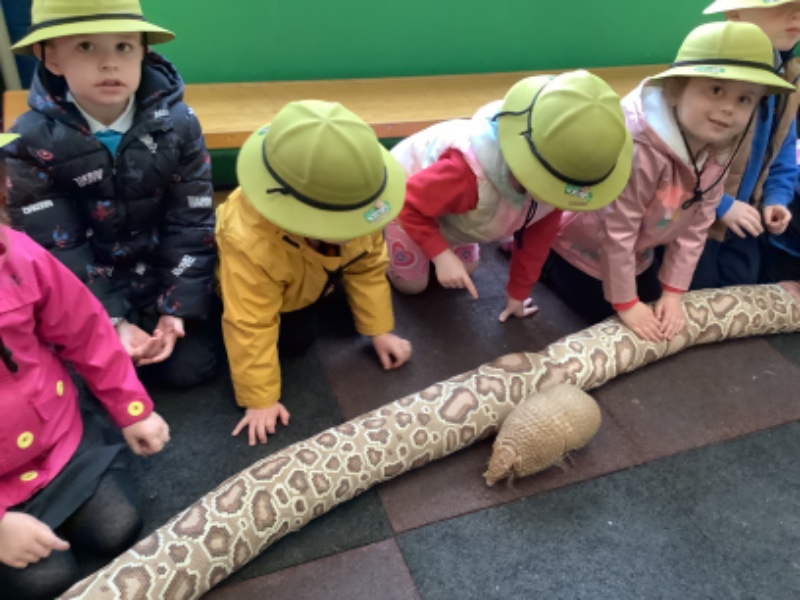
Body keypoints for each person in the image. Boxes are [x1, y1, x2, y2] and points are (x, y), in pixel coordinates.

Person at [4, 0, 217, 388]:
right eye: (86, 46)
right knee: (76, 379)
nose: (109, 63)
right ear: (50, 57)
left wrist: (175, 308)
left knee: (191, 369)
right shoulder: (29, 140)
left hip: (155, 277)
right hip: (85, 284)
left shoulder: (179, 124)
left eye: (124, 46)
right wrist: (110, 318)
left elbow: (192, 220)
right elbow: (57, 244)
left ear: (143, 52)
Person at [546, 21, 795, 341]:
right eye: (716, 90)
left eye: (745, 99)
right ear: (676, 90)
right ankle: (543, 260)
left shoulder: (720, 144)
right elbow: (617, 231)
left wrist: (674, 292)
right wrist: (626, 303)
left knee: (659, 310)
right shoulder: (640, 150)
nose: (728, 109)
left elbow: (698, 224)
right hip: (584, 244)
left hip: (641, 247)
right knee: (608, 317)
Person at [0, 133, 170, 600]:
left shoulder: (18, 254)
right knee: (45, 581)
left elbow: (85, 330)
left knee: (117, 526)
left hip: (56, 438)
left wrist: (131, 408)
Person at [216, 100, 413, 446]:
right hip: (263, 289)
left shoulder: (362, 210)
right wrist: (260, 399)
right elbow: (250, 321)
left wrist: (379, 330)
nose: (356, 229)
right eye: (341, 223)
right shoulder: (248, 241)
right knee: (296, 339)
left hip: (316, 274)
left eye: (356, 219)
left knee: (355, 321)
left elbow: (368, 267)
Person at [384, 69, 633, 322]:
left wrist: (518, 294)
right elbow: (407, 203)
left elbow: (537, 240)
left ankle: (441, 244)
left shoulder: (559, 186)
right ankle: (386, 244)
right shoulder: (465, 173)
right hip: (406, 205)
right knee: (413, 286)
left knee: (467, 269)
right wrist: (441, 255)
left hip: (461, 214)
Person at [690, 0, 800, 289]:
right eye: (782, 5)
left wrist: (776, 197)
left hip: (746, 222)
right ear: (734, 13)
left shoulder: (788, 74)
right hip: (694, 221)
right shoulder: (707, 73)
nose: (796, 14)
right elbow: (678, 158)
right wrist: (722, 205)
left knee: (743, 287)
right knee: (695, 295)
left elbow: (784, 147)